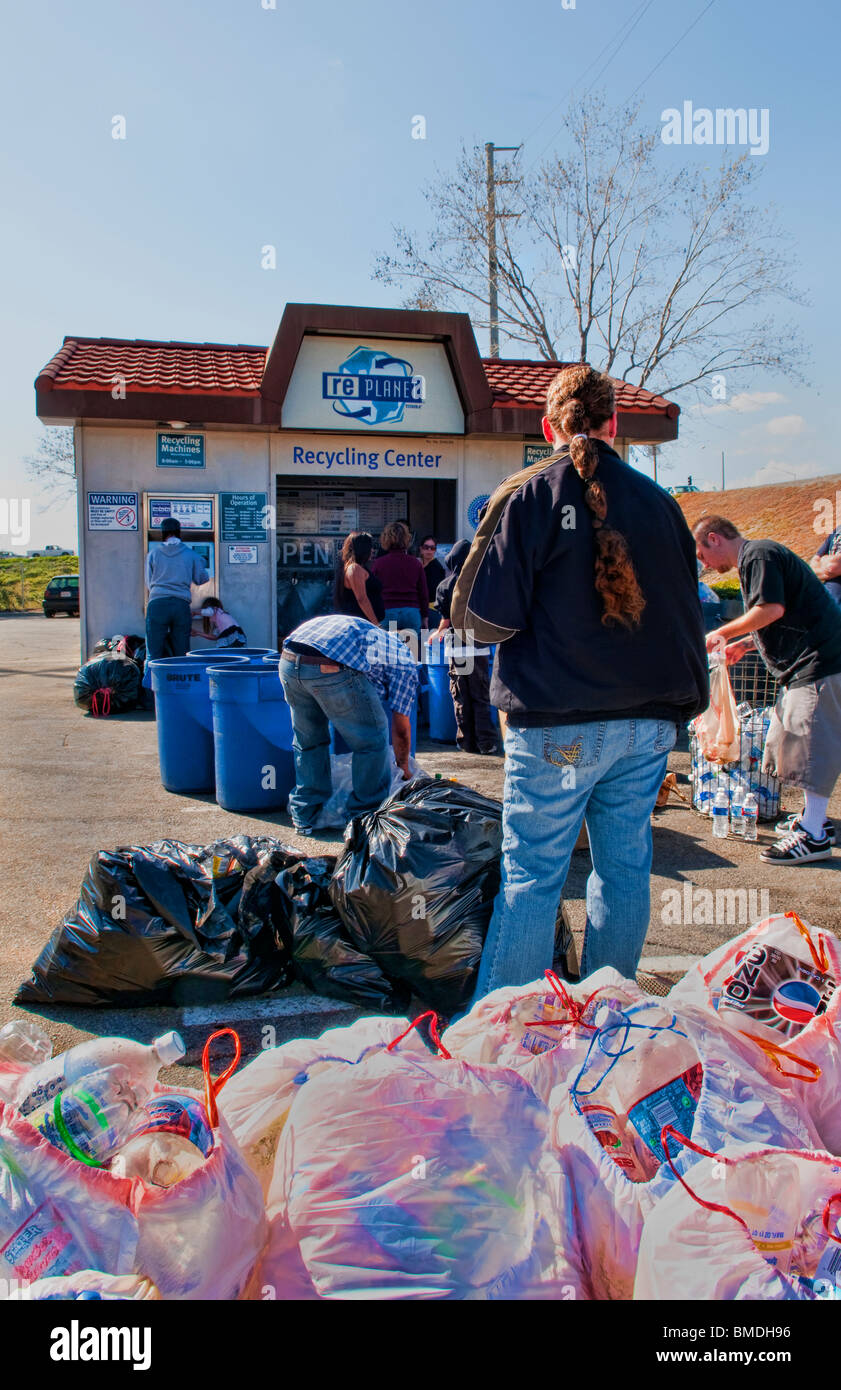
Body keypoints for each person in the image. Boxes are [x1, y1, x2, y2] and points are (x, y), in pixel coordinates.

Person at [457, 363, 708, 996]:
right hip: (649, 723)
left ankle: (503, 1037)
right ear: (614, 425)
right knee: (623, 871)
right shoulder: (661, 504)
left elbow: (487, 619)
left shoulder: (529, 496)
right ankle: (607, 1013)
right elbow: (686, 611)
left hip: (557, 724)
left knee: (534, 876)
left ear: (549, 426)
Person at [695, 515, 841, 864]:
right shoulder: (759, 557)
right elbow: (782, 611)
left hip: (818, 663)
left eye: (703, 555)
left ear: (715, 539)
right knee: (795, 738)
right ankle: (814, 820)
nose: (706, 565)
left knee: (810, 745)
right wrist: (747, 644)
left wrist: (723, 633)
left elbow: (771, 609)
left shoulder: (758, 554)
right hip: (811, 663)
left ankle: (813, 836)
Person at [278, 614, 418, 835]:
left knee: (309, 741)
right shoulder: (405, 662)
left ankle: (304, 816)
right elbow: (400, 728)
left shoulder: (370, 639)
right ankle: (363, 818)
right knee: (372, 741)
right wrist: (403, 768)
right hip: (329, 666)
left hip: (288, 659)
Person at [430, 541, 497, 755]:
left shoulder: (446, 585)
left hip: (457, 647)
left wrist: (435, 634)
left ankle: (466, 741)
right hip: (478, 647)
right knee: (480, 695)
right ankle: (486, 743)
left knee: (461, 695)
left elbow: (446, 622)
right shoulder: (484, 582)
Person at [144, 517, 209, 659]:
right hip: (181, 605)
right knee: (181, 652)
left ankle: (150, 681)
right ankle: (181, 680)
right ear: (179, 532)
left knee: (153, 652)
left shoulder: (153, 554)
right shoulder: (191, 554)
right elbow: (202, 579)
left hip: (157, 604)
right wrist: (202, 562)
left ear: (163, 533)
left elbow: (149, 583)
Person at [370, 521, 428, 642]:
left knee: (388, 652)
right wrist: (425, 617)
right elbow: (423, 593)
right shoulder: (415, 563)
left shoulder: (378, 564)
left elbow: (373, 592)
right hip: (411, 611)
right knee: (412, 653)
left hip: (387, 611)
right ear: (407, 539)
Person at [333, 531, 385, 625]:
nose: (372, 550)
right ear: (363, 548)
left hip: (364, 623)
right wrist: (376, 624)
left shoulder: (357, 567)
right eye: (370, 547)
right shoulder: (354, 568)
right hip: (362, 624)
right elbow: (362, 599)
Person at [810, 526, 841, 608]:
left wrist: (824, 560)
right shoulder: (838, 530)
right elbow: (812, 570)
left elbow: (833, 566)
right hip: (826, 603)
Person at [419, 535, 446, 615]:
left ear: (435, 550)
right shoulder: (418, 566)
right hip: (420, 608)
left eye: (432, 548)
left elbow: (432, 591)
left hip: (432, 609)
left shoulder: (436, 567)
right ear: (421, 549)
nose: (429, 550)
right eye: (426, 547)